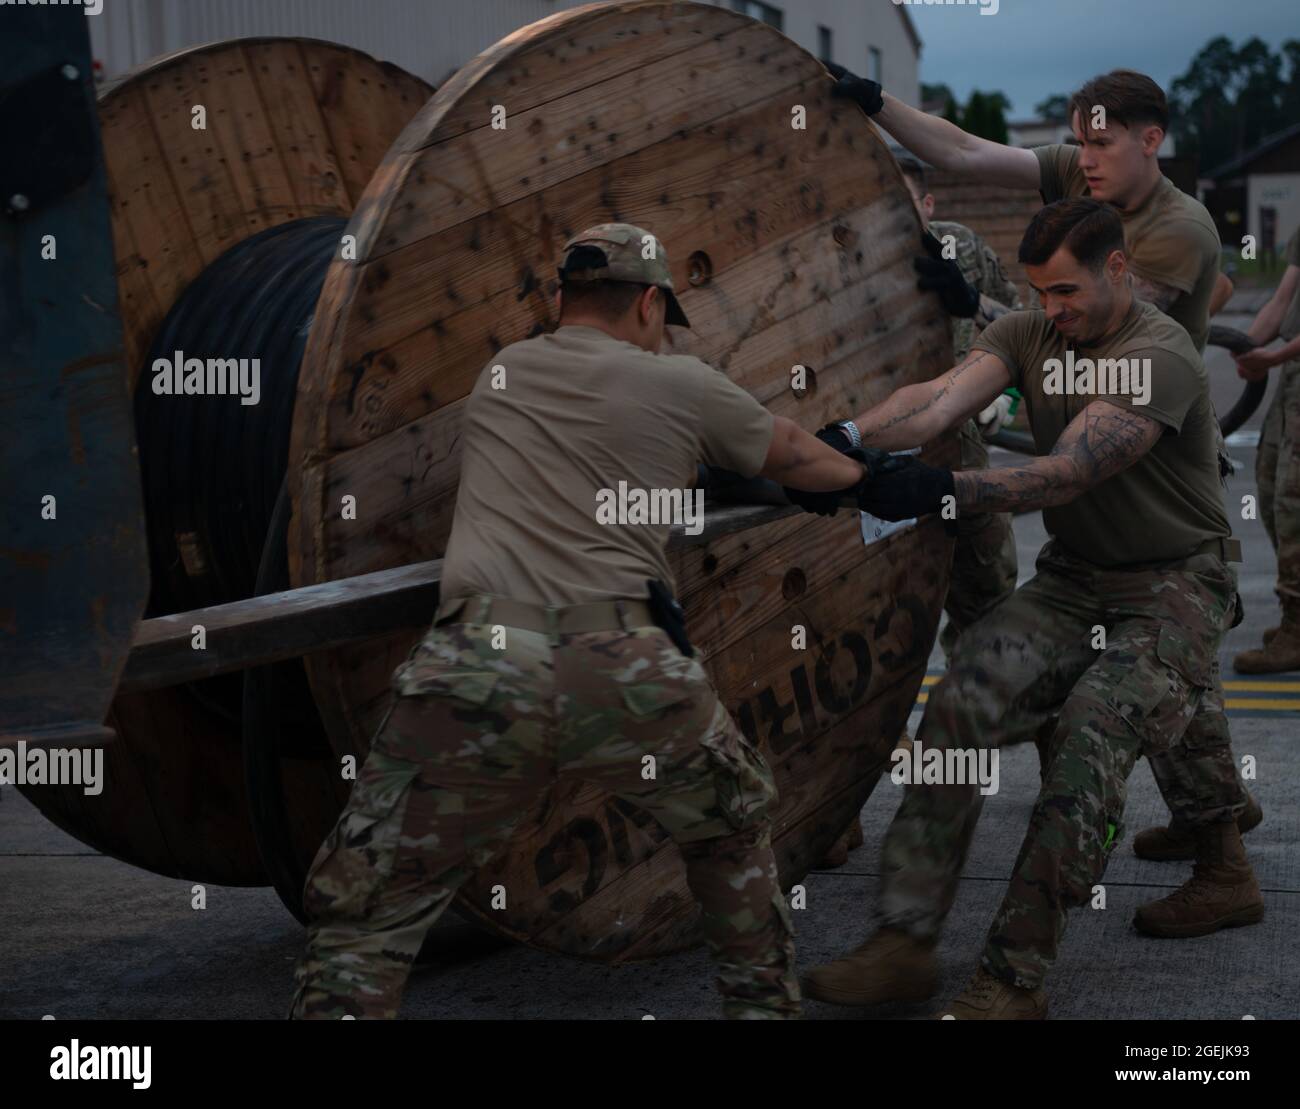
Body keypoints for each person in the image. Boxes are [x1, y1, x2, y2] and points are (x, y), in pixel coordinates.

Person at [288, 222, 873, 1020]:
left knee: (366, 913)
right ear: (650, 305)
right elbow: (803, 459)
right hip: (626, 663)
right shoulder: (684, 383)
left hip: (477, 666)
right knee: (730, 829)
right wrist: (872, 476)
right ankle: (760, 1005)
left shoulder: (503, 372)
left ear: (561, 299)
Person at [797, 199, 1262, 1018]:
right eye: (1039, 292)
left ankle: (1012, 980)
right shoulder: (1029, 332)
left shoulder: (1160, 352)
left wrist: (945, 490)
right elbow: (938, 400)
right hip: (1076, 577)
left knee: (1094, 726)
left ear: (1118, 269)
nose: (1052, 310)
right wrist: (839, 440)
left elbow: (1069, 471)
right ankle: (903, 943)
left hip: (1179, 582)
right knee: (961, 699)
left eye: (1067, 292)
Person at [825, 62, 1260, 861]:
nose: (1083, 157)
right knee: (1162, 656)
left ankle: (1214, 824)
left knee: (1155, 650)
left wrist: (977, 307)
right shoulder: (1086, 182)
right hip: (1083, 434)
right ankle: (1218, 817)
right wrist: (875, 101)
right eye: (1079, 140)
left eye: (1101, 142)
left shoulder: (1180, 228)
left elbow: (1092, 325)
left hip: (1145, 435)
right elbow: (960, 151)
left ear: (1150, 139)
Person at [897, 153, 1022, 663]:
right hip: (871, 459)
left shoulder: (962, 247)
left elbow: (1021, 325)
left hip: (961, 457)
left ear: (928, 203)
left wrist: (1008, 396)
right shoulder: (832, 259)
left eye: (900, 206)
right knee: (888, 608)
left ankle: (979, 713)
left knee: (988, 593)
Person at [1231, 226, 1300, 673]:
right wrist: (1244, 348)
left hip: (1291, 363)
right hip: (1294, 377)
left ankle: (1296, 626)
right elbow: (1280, 300)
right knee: (1272, 488)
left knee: (1295, 502)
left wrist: (1271, 358)